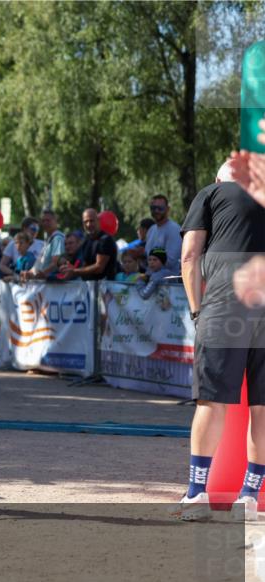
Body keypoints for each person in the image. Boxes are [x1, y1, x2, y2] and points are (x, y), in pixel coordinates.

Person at [177, 156, 265, 522]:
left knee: (212, 401)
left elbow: (189, 255)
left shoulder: (211, 194)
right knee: (263, 406)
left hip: (226, 301)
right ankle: (250, 495)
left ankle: (198, 493)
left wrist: (197, 310)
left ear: (220, 179)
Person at [62, 208, 117, 281]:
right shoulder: (86, 240)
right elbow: (84, 265)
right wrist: (66, 267)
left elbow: (99, 268)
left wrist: (74, 271)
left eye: (91, 221)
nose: (89, 224)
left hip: (106, 288)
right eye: (86, 222)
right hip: (88, 287)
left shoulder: (105, 239)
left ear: (98, 220)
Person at [144, 194, 182, 275]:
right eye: (153, 208)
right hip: (150, 278)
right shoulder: (151, 230)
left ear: (167, 209)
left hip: (168, 283)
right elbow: (148, 257)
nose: (156, 211)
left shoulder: (174, 229)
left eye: (160, 208)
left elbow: (171, 261)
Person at [24, 208, 64, 281]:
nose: (45, 223)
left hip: (52, 285)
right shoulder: (49, 240)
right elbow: (39, 263)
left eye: (48, 220)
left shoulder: (57, 238)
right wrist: (29, 273)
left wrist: (41, 274)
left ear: (56, 221)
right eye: (43, 221)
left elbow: (55, 263)